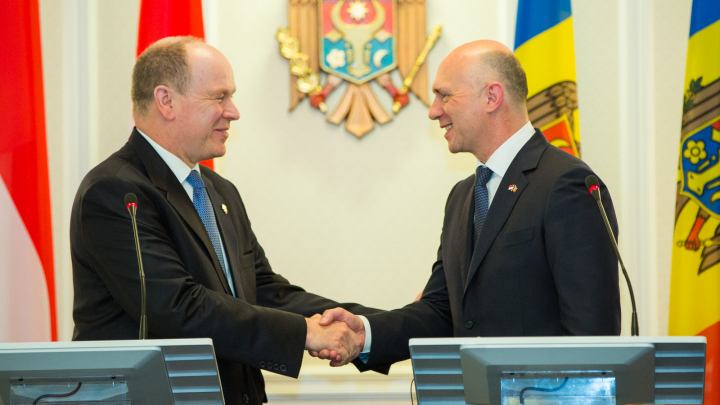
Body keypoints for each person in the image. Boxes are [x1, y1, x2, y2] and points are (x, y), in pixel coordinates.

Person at [70, 36, 370, 405]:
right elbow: (176, 308)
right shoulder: (117, 192)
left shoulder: (218, 191)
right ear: (166, 101)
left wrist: (365, 325)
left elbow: (262, 291)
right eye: (219, 97)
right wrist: (304, 333)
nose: (233, 111)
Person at [315, 40, 621, 368]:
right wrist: (364, 334)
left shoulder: (566, 185)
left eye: (445, 95)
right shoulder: (463, 196)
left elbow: (591, 337)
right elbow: (441, 311)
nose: (433, 111)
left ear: (491, 97)